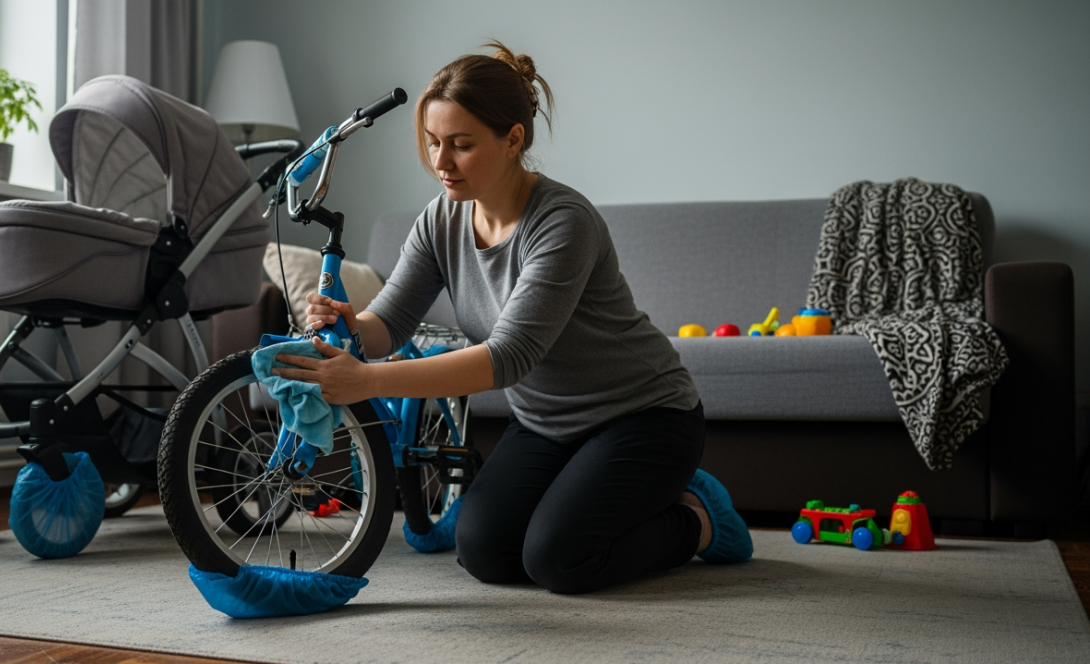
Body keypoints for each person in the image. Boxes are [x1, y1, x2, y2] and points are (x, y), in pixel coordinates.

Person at [272, 41, 752, 594]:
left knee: (559, 560)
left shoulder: (563, 223)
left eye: (461, 145)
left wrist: (365, 381)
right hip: (547, 425)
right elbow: (390, 325)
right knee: (484, 553)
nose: (441, 162)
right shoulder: (441, 219)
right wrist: (350, 324)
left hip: (644, 417)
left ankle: (698, 518)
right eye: (433, 143)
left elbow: (509, 357)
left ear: (512, 140)